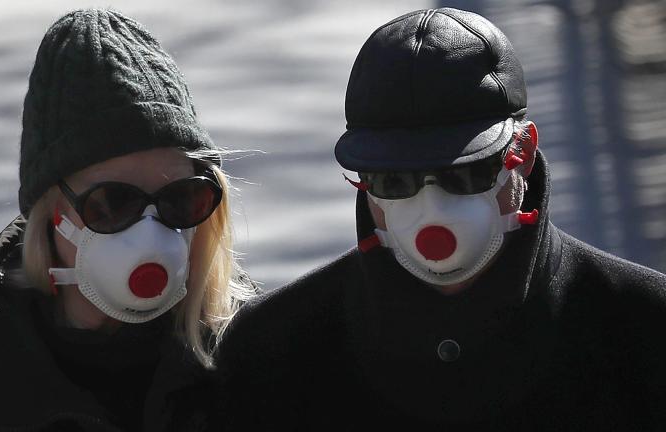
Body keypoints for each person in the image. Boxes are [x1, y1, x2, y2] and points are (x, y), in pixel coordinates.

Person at [215, 7, 666, 431]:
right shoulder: (275, 352)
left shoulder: (644, 332)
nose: (430, 205)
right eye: (394, 180)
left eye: (466, 170)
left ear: (523, 152)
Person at [0, 8, 255, 432]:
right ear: (50, 213)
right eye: (112, 203)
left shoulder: (259, 357)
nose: (152, 230)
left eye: (182, 198)